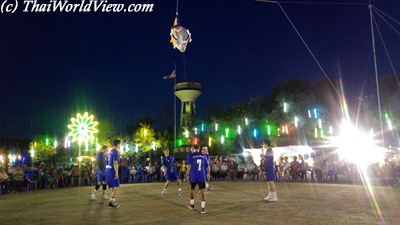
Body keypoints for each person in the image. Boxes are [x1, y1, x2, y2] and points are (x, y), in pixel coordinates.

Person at [187, 145, 210, 214]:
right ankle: (203, 208)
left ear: (193, 148)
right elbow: (207, 166)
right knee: (202, 191)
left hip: (193, 175)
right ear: (199, 148)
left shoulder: (191, 155)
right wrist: (208, 174)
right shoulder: (204, 155)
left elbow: (189, 166)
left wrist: (187, 174)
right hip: (201, 175)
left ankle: (192, 204)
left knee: (192, 190)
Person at [105, 140, 121, 208]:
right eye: (120, 144)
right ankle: (112, 201)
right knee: (117, 186)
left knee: (114, 186)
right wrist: (117, 173)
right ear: (118, 144)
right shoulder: (115, 151)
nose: (120, 145)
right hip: (112, 170)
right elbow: (115, 163)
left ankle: (112, 201)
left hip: (108, 169)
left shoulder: (111, 151)